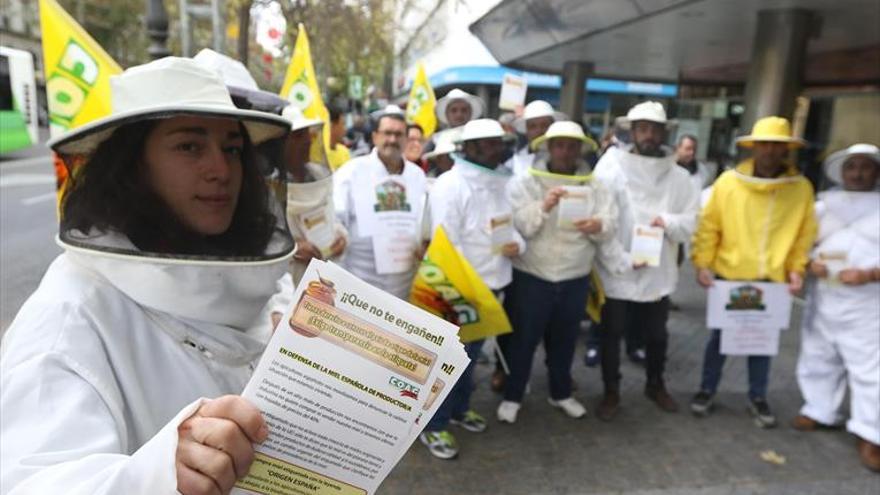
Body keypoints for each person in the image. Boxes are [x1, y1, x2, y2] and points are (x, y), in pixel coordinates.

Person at [0, 57, 294, 494]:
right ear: (133, 163)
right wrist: (160, 473)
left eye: (232, 148)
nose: (221, 169)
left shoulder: (245, 272)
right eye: (189, 146)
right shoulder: (69, 313)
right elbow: (32, 481)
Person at [498, 121, 632, 423]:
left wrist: (598, 225)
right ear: (547, 147)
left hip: (574, 275)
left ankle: (560, 393)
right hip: (533, 274)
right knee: (523, 341)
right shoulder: (525, 182)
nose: (565, 151)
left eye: (572, 146)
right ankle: (513, 395)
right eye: (559, 144)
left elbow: (610, 221)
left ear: (581, 149)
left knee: (565, 340)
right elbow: (520, 225)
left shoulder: (596, 184)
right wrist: (544, 206)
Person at [690, 116, 817, 428]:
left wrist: (796, 269)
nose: (770, 151)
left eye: (777, 146)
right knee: (720, 338)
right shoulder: (728, 183)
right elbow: (709, 226)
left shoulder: (800, 189)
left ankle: (757, 395)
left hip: (771, 279)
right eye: (765, 144)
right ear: (753, 147)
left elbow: (804, 235)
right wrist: (702, 262)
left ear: (787, 150)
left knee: (762, 342)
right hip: (731, 273)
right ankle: (707, 389)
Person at [420, 119, 525, 459]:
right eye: (489, 144)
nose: (498, 149)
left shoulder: (501, 183)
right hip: (460, 289)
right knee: (449, 361)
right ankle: (433, 425)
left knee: (470, 358)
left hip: (492, 288)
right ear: (470, 147)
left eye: (499, 143)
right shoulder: (451, 184)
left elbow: (511, 230)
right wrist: (471, 289)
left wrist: (517, 246)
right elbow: (446, 243)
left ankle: (459, 410)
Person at [592, 101, 700, 421]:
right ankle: (611, 390)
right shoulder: (610, 167)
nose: (649, 135)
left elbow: (693, 223)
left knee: (657, 334)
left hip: (658, 270)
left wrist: (667, 222)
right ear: (632, 131)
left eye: (655, 129)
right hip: (618, 267)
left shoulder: (680, 178)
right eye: (642, 128)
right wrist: (622, 259)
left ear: (665, 132)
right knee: (612, 333)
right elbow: (601, 221)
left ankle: (655, 384)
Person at [794, 143, 880, 471]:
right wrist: (807, 264)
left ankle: (870, 433)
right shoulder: (821, 206)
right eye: (851, 166)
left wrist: (870, 274)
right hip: (825, 298)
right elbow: (798, 244)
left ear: (877, 171)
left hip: (868, 305)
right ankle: (819, 409)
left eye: (865, 166)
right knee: (818, 355)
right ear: (842, 172)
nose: (857, 173)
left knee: (871, 370)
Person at [333, 107, 427, 300]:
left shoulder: (417, 176)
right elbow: (335, 226)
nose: (392, 140)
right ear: (375, 136)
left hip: (405, 292)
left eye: (398, 134)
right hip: (358, 292)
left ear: (406, 139)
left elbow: (424, 224)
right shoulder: (351, 173)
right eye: (387, 133)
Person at [280, 105, 347, 284]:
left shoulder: (318, 176)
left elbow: (333, 218)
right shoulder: (269, 187)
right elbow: (262, 242)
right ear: (281, 143)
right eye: (298, 136)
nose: (308, 140)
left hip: (327, 279)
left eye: (307, 133)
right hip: (290, 285)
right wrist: (292, 249)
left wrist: (340, 236)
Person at [507, 100, 564, 175]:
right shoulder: (513, 162)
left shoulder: (565, 158)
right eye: (533, 126)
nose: (539, 131)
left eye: (544, 125)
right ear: (526, 130)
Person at [326, 105, 351, 171]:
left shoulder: (344, 151)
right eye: (343, 124)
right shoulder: (321, 156)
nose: (345, 129)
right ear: (331, 125)